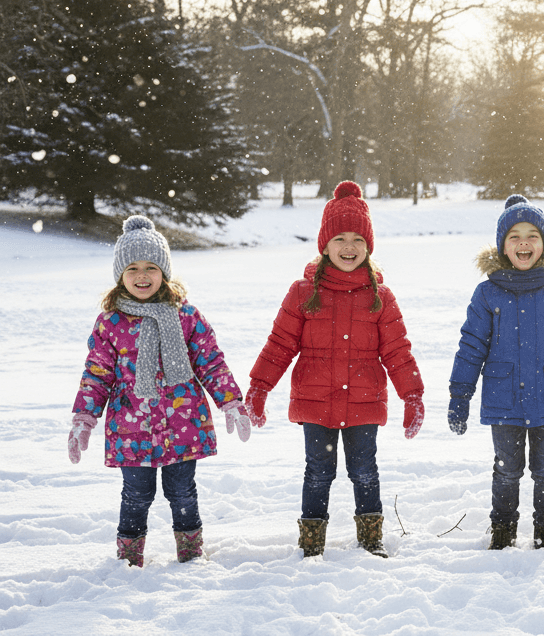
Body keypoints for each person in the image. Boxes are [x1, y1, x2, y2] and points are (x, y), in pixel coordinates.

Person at [248, 181, 425, 558]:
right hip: (316, 402)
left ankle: (371, 539)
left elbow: (397, 350)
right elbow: (280, 344)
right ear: (324, 245)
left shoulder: (380, 296)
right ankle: (311, 544)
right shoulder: (302, 292)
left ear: (369, 246)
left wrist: (412, 394)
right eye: (340, 238)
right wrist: (260, 387)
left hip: (363, 400)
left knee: (364, 471)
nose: (349, 247)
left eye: (358, 239)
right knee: (318, 472)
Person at [68, 216, 252, 566]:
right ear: (120, 275)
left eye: (151, 267)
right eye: (133, 268)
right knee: (137, 494)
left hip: (183, 425)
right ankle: (128, 560)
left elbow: (210, 361)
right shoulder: (111, 322)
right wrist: (84, 418)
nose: (142, 275)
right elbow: (97, 374)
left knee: (182, 491)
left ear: (164, 272)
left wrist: (231, 401)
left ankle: (191, 554)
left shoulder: (185, 316)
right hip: (130, 429)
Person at [448, 195, 544, 552]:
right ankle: (503, 532)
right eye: (514, 235)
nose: (524, 242)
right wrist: (460, 394)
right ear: (503, 246)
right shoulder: (488, 294)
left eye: (532, 235)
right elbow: (471, 345)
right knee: (506, 470)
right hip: (504, 398)